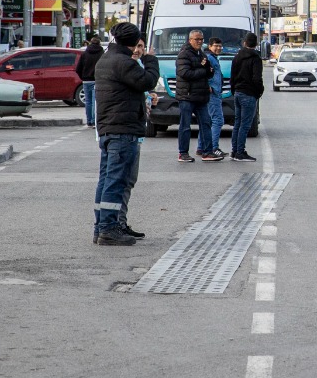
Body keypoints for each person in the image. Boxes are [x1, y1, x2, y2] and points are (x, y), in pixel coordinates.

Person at [92, 22, 160, 245]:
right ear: (132, 43)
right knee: (116, 180)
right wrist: (150, 60)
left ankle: (102, 225)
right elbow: (147, 81)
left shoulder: (106, 59)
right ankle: (109, 229)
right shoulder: (123, 62)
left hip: (109, 128)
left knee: (107, 179)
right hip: (123, 128)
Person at [174, 29, 219, 162]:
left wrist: (207, 70)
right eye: (197, 39)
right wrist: (202, 69)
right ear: (190, 40)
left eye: (201, 39)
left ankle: (207, 152)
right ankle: (183, 153)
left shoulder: (202, 53)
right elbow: (185, 74)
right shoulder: (184, 54)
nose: (199, 41)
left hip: (201, 95)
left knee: (206, 123)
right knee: (185, 126)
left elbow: (209, 72)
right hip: (187, 96)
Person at [229, 31, 264, 162]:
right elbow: (257, 78)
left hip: (237, 92)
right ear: (256, 44)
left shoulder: (237, 57)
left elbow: (232, 77)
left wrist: (234, 90)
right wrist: (259, 92)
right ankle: (240, 152)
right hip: (249, 94)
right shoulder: (255, 58)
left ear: (244, 43)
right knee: (245, 125)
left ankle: (234, 151)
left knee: (237, 123)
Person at [197, 36, 228, 159]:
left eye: (220, 46)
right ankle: (213, 147)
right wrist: (207, 86)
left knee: (207, 121)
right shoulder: (209, 58)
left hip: (215, 92)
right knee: (217, 120)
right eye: (216, 46)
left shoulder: (212, 58)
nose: (218, 48)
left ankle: (201, 147)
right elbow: (202, 73)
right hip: (212, 93)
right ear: (209, 47)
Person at [76, 34, 104, 128]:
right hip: (97, 80)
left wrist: (83, 77)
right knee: (95, 101)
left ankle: (89, 121)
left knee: (88, 102)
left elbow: (78, 68)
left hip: (86, 81)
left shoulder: (85, 53)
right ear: (99, 43)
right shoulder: (101, 54)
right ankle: (95, 121)